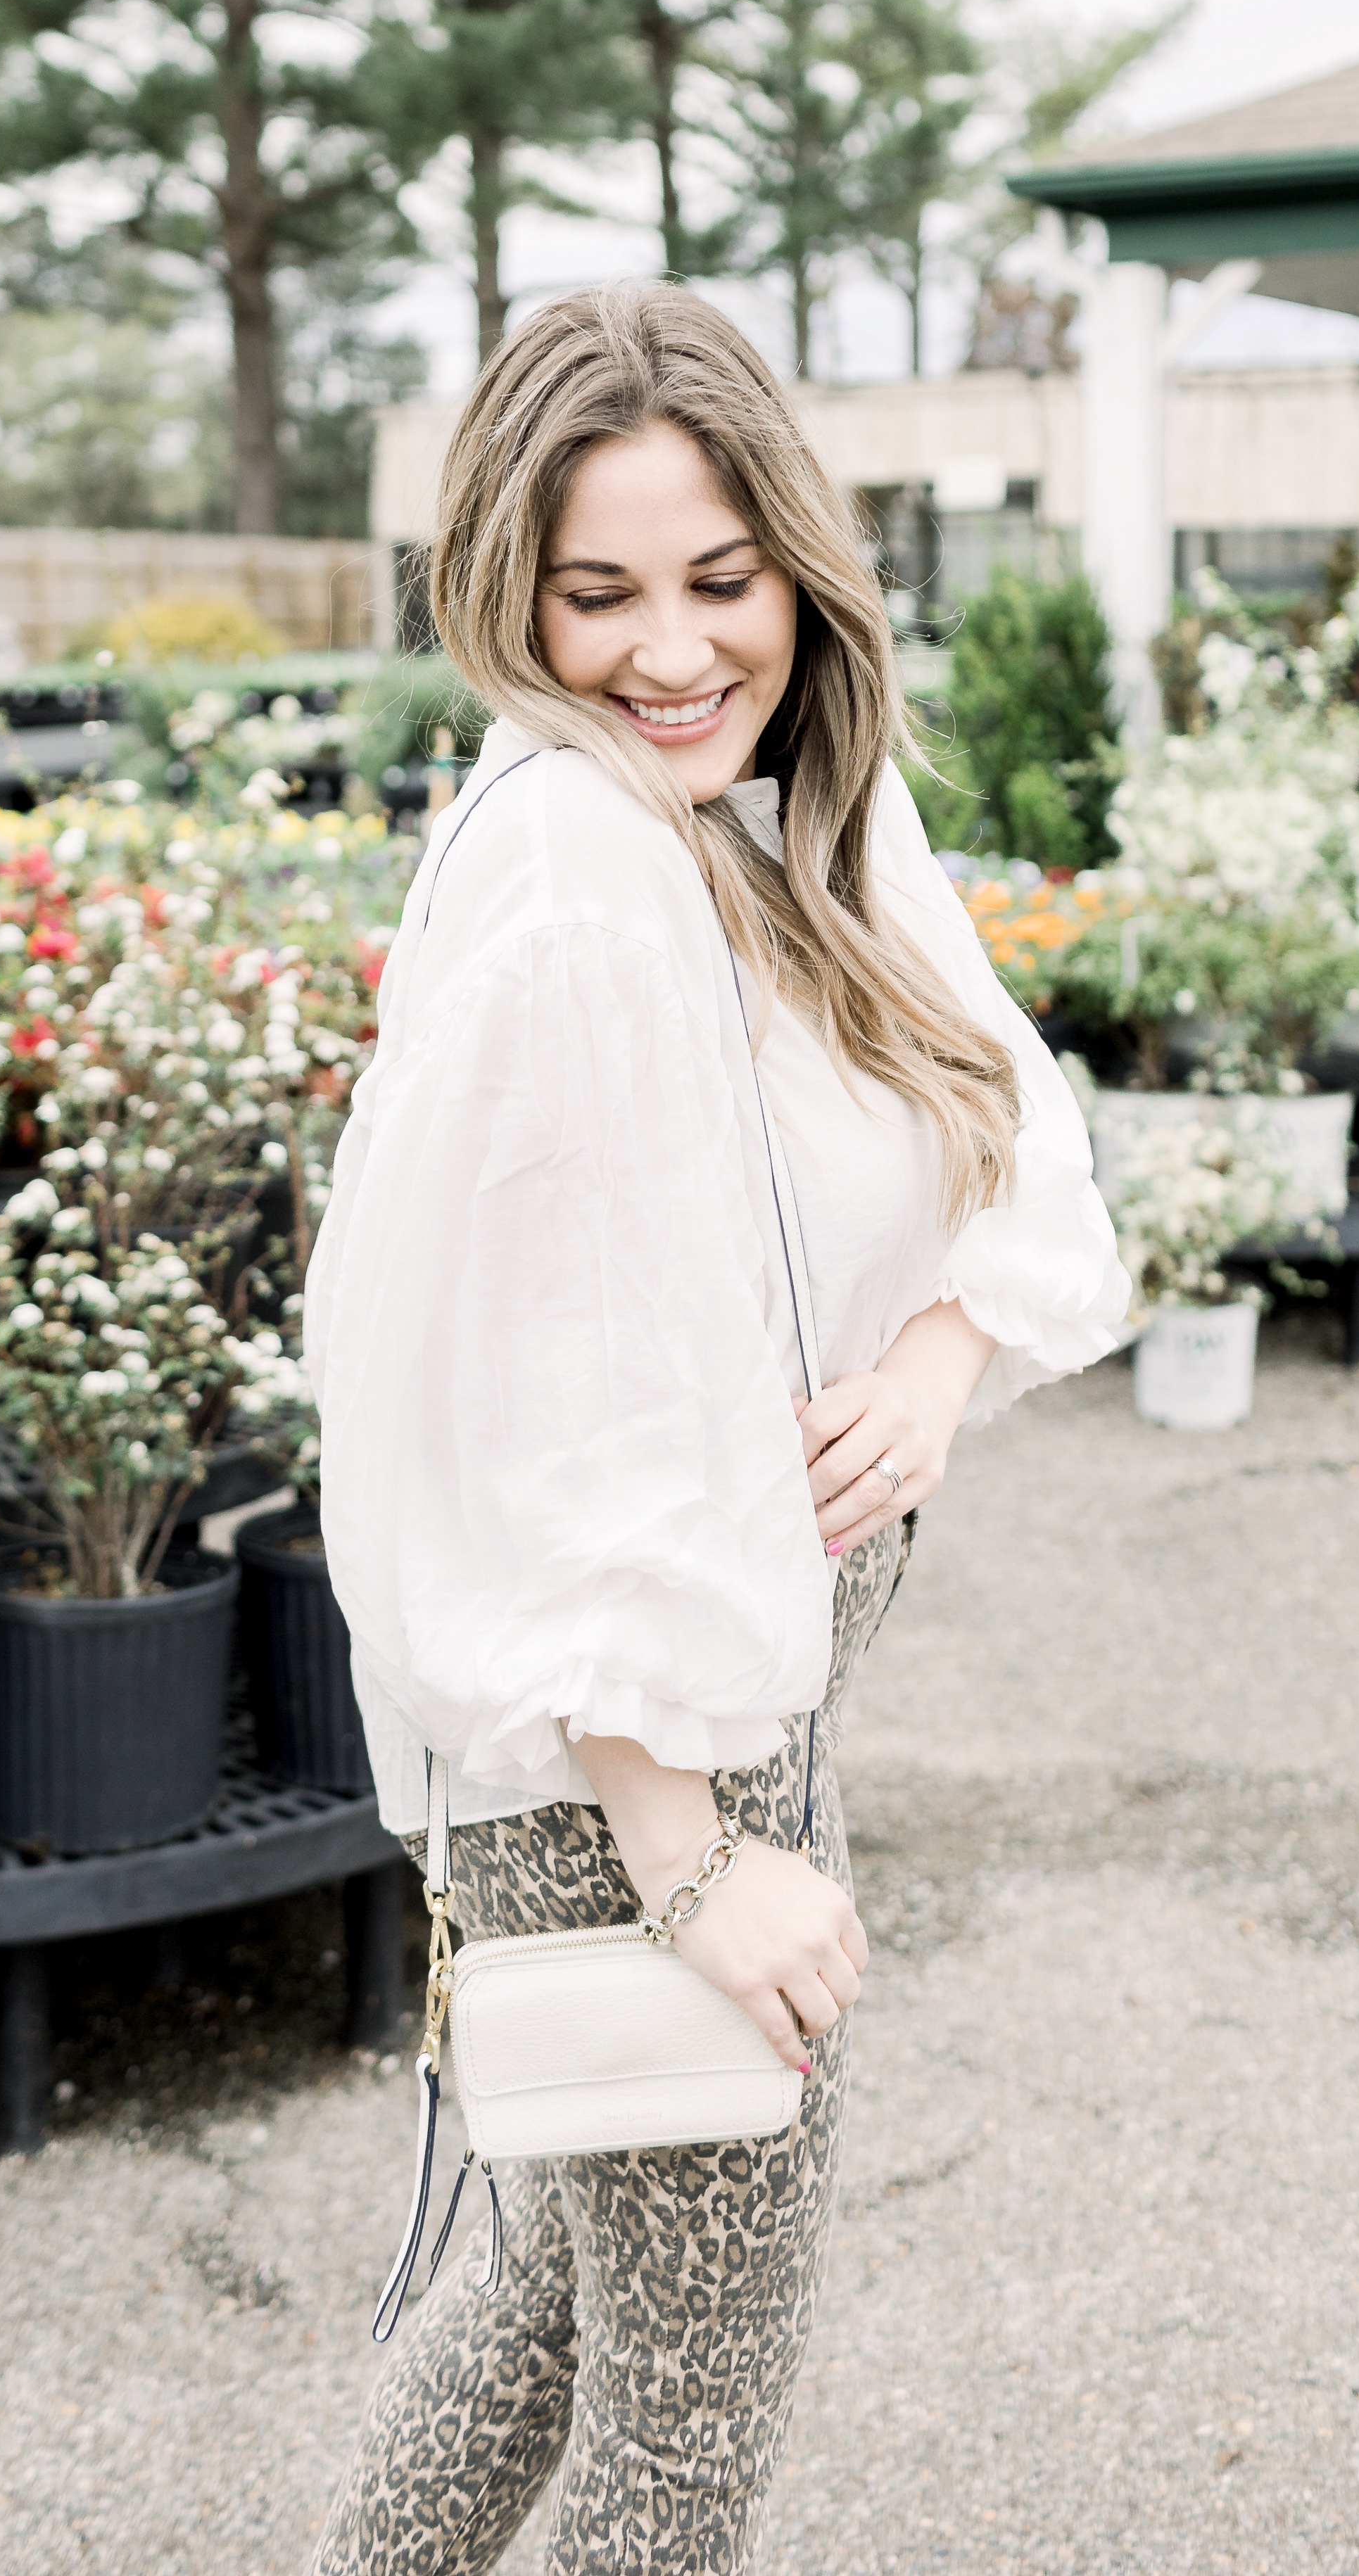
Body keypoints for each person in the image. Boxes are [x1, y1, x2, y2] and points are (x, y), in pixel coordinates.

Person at [307, 284, 1127, 2573]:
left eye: (719, 579)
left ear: (799, 566)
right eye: (600, 596)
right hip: (645, 1766)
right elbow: (522, 1408)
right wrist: (690, 1848)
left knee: (544, 2332)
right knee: (676, 2450)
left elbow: (1020, 1150)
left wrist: (934, 1368)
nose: (674, 650)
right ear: (504, 587)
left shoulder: (781, 817)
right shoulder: (581, 879)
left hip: (726, 1722)